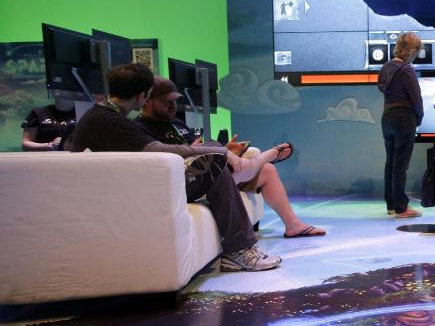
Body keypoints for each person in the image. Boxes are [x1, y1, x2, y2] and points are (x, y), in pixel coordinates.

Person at [70, 64, 282, 271]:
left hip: (128, 187)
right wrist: (222, 152)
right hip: (132, 192)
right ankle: (239, 250)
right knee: (215, 160)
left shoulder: (101, 116)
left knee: (214, 155)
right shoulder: (109, 121)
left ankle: (240, 245)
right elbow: (156, 149)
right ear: (143, 96)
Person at [134, 77, 324, 239]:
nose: (173, 106)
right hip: (189, 181)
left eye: (174, 100)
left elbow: (196, 149)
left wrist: (226, 150)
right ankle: (263, 157)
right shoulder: (139, 130)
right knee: (229, 163)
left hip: (205, 169)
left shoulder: (176, 124)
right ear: (147, 101)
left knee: (266, 170)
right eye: (166, 101)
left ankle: (293, 225)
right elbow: (156, 161)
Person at [377, 32, 424, 219]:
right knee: (401, 165)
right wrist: (419, 118)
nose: (415, 56)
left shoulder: (385, 67)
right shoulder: (406, 70)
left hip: (387, 117)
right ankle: (402, 208)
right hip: (404, 118)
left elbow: (381, 87)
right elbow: (416, 98)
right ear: (410, 50)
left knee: (391, 162)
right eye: (416, 52)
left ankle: (391, 204)